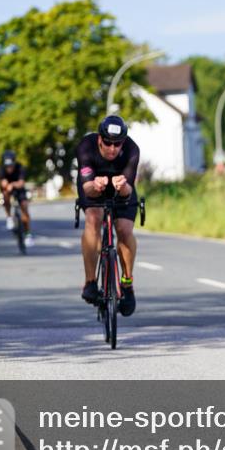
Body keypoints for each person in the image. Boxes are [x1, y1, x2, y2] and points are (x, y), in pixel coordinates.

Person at [76, 115, 141, 316]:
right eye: (107, 143)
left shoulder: (132, 150)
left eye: (117, 144)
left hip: (122, 189)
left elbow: (128, 191)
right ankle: (90, 281)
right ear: (99, 139)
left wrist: (122, 186)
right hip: (93, 186)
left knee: (124, 229)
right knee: (93, 218)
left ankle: (127, 282)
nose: (112, 148)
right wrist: (95, 185)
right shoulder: (86, 147)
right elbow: (87, 188)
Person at [0, 150, 34, 247]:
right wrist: (6, 184)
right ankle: (9, 218)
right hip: (7, 190)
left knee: (24, 208)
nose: (9, 168)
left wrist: (13, 184)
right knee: (5, 195)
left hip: (19, 189)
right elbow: (3, 182)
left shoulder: (20, 168)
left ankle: (28, 234)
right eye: (7, 166)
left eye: (11, 166)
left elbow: (21, 183)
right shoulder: (1, 169)